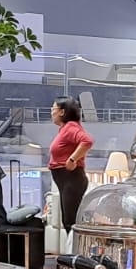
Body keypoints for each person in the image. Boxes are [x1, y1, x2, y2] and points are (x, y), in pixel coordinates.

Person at [49, 97, 94, 229]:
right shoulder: (65, 129)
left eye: (53, 109)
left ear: (62, 112)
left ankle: (75, 243)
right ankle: (73, 242)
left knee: (70, 222)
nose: (51, 112)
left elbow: (87, 141)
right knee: (68, 220)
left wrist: (72, 159)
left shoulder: (70, 127)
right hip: (66, 180)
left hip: (71, 179)